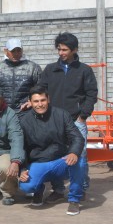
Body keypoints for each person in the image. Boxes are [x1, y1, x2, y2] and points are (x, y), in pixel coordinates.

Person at [38, 32, 98, 201]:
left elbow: (91, 94)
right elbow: (41, 90)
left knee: (80, 156)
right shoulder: (50, 69)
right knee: (55, 155)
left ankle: (81, 188)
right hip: (54, 121)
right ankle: (58, 190)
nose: (61, 53)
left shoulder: (84, 70)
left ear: (74, 50)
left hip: (76, 121)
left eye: (64, 49)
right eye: (59, 49)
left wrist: (83, 116)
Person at [18, 87, 85, 216]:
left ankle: (74, 200)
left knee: (80, 162)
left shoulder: (62, 115)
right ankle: (38, 189)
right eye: (36, 101)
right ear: (30, 102)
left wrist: (73, 152)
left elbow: (77, 137)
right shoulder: (24, 121)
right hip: (39, 162)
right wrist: (22, 169)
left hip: (60, 161)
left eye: (43, 100)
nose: (40, 104)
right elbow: (22, 147)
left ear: (48, 99)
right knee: (26, 186)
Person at [0, 39, 41, 113]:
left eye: (18, 50)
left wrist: (31, 102)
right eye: (13, 51)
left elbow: (40, 89)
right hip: (3, 112)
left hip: (26, 111)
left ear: (22, 51)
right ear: (6, 51)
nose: (16, 53)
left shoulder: (33, 68)